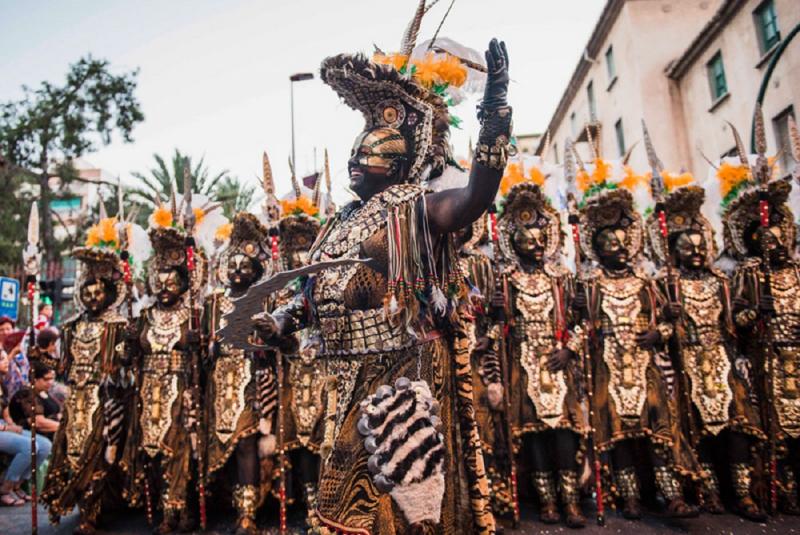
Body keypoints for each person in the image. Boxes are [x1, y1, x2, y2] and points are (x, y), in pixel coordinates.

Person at [231, 16, 512, 532]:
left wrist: (494, 115)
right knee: (341, 510)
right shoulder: (340, 221)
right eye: (357, 152)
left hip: (398, 376)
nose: (358, 160)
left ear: (403, 161)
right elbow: (311, 290)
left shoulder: (418, 209)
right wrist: (283, 321)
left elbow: (477, 197)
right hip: (342, 379)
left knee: (392, 509)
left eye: (374, 153)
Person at [641, 128, 767, 521]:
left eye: (700, 245)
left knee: (736, 429)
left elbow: (737, 324)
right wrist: (666, 325)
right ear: (672, 248)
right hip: (686, 368)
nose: (695, 252)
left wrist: (755, 313)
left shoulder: (723, 282)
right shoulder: (665, 284)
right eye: (686, 246)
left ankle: (743, 494)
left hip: (723, 364)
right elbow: (657, 331)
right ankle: (709, 492)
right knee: (698, 433)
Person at [572, 160, 699, 519]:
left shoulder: (647, 284)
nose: (619, 247)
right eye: (609, 243)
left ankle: (670, 495)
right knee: (617, 433)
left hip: (646, 368)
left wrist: (661, 330)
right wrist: (580, 312)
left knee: (658, 429)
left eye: (623, 240)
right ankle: (628, 497)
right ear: (598, 249)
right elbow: (582, 329)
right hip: (608, 367)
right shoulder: (591, 286)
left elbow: (671, 330)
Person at [495, 181, 587, 528]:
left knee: (563, 433)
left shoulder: (561, 278)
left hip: (557, 364)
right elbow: (497, 332)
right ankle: (547, 502)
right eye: (525, 239)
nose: (534, 245)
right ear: (512, 242)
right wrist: (496, 316)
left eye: (538, 238)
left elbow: (584, 326)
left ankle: (571, 501)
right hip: (523, 365)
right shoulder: (505, 280)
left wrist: (569, 350)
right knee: (532, 434)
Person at [41, 217, 141, 534]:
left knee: (98, 456)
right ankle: (79, 504)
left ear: (111, 293)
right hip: (76, 401)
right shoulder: (72, 327)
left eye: (100, 292)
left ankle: (92, 513)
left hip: (106, 403)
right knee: (72, 453)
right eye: (89, 291)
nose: (93, 297)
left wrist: (127, 355)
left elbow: (128, 371)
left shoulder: (118, 326)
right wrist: (38, 359)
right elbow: (62, 369)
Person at [126, 198, 220, 534]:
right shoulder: (145, 316)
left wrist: (199, 345)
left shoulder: (195, 313)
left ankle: (181, 510)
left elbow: (211, 359)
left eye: (172, 281)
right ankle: (163, 509)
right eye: (159, 281)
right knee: (152, 451)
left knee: (182, 451)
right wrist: (129, 343)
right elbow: (129, 361)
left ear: (184, 281)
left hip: (182, 394)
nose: (165, 288)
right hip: (150, 391)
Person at [723, 111, 800, 514]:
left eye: (777, 235)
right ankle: (772, 488)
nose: (771, 242)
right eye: (762, 236)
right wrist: (755, 313)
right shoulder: (748, 275)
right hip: (766, 360)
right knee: (769, 428)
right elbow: (733, 320)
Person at [206, 206, 278, 535]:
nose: (237, 272)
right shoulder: (214, 304)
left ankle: (247, 514)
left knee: (248, 443)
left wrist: (266, 342)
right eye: (232, 266)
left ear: (255, 270)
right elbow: (206, 348)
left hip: (252, 382)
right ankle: (225, 503)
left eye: (244, 267)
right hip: (221, 384)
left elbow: (277, 342)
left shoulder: (263, 301)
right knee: (224, 445)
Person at [0, 349, 52, 506]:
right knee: (29, 446)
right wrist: (5, 429)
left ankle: (17, 484)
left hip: (3, 425)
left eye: (5, 358)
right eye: (1, 359)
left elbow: (5, 411)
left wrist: (11, 424)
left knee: (44, 445)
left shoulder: (2, 383)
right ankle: (5, 488)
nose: (6, 361)